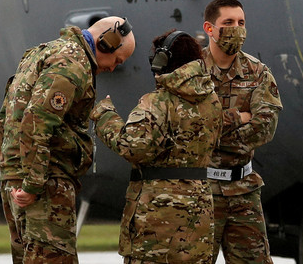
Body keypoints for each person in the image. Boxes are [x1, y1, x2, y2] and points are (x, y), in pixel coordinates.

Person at [0, 16, 136, 264]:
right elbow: (37, 121)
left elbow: (7, 116)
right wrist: (33, 184)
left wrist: (18, 176)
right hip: (44, 182)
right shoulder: (72, 65)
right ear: (107, 43)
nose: (113, 68)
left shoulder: (44, 52)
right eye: (117, 60)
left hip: (15, 176)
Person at [91, 29, 222, 264]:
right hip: (200, 216)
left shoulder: (158, 103)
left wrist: (104, 115)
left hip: (156, 222)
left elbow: (133, 147)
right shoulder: (212, 102)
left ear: (164, 60)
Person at [200, 0, 282, 264]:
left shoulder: (258, 72)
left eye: (241, 22)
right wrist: (241, 116)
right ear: (209, 28)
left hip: (243, 191)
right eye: (228, 22)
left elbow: (265, 127)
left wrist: (215, 130)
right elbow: (185, 127)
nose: (236, 28)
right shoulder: (190, 71)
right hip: (201, 192)